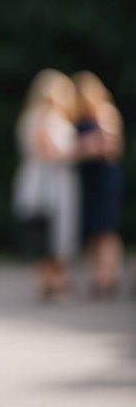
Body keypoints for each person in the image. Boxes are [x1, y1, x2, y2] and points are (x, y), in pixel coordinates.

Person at [12, 69, 81, 300]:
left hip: (41, 180)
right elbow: (48, 151)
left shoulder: (28, 117)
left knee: (47, 232)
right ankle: (52, 281)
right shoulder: (46, 118)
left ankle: (51, 280)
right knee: (52, 232)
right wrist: (82, 149)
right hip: (50, 182)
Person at [72, 70, 125, 298]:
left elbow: (111, 148)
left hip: (103, 178)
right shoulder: (83, 117)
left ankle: (108, 278)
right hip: (90, 178)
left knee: (106, 230)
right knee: (94, 230)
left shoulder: (105, 113)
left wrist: (84, 147)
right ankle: (99, 276)